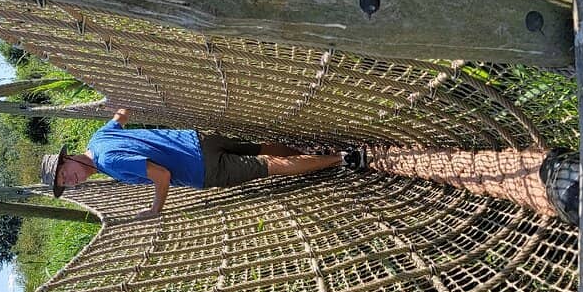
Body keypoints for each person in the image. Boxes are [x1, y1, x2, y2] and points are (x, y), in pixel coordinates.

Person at [40, 108, 366, 220]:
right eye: (65, 185)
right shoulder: (98, 139)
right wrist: (124, 98)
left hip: (203, 171)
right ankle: (318, 150)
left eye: (65, 175)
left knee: (269, 165)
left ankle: (341, 158)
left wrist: (155, 210)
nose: (71, 181)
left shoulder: (110, 162)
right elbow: (120, 116)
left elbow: (161, 175)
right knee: (259, 146)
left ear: (68, 158)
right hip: (198, 140)